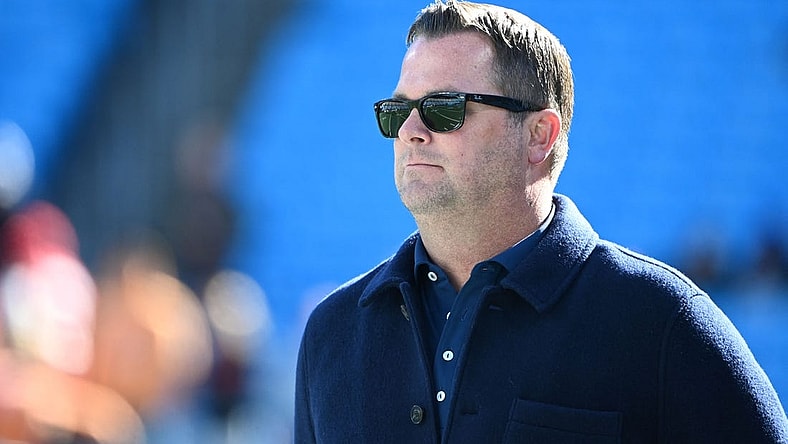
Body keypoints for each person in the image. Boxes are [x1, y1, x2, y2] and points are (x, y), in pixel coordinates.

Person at [294, 1, 788, 442]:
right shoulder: (330, 333)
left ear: (538, 136)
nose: (411, 131)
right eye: (398, 111)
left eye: (443, 109)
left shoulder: (663, 322)